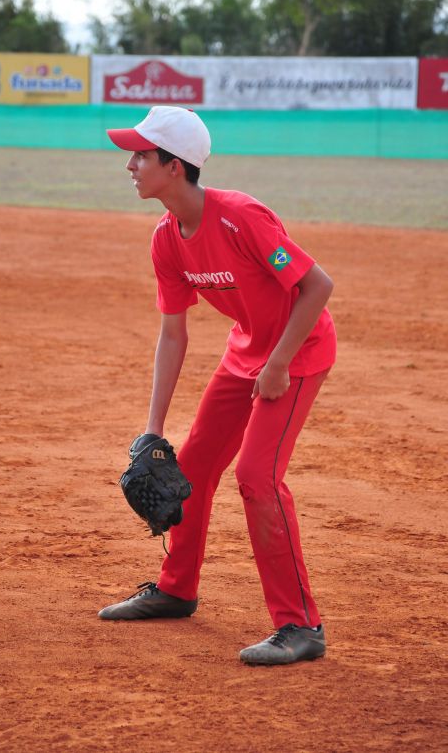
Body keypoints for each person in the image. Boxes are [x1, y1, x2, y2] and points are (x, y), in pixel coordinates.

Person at [98, 106, 337, 666]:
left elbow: (316, 286)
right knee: (195, 467)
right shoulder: (166, 239)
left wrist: (277, 364)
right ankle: (176, 589)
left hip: (297, 355)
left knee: (258, 476)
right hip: (246, 355)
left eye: (140, 155)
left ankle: (300, 625)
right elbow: (173, 335)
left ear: (175, 166)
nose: (130, 164)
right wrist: (152, 429)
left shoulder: (240, 217)